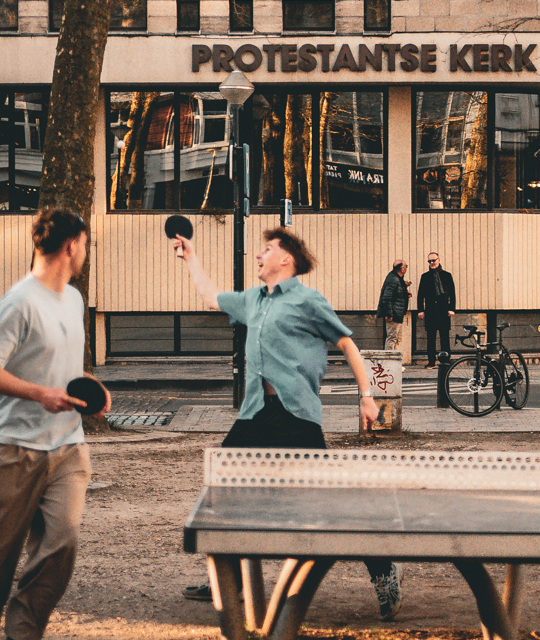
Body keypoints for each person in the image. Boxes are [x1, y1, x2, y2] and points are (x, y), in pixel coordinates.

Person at [176, 226, 401, 619]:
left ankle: (383, 569)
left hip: (296, 414)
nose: (259, 255)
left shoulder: (308, 300)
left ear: (286, 260)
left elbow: (347, 344)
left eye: (267, 249)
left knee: (327, 502)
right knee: (222, 492)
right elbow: (211, 299)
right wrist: (191, 257)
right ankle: (230, 579)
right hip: (255, 413)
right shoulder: (253, 300)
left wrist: (367, 396)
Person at [0, 206, 107, 640]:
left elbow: (63, 368)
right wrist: (40, 393)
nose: (85, 253)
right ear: (71, 246)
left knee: (61, 540)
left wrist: (90, 390)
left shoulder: (75, 301)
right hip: (12, 447)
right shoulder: (19, 302)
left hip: (67, 446)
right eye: (84, 245)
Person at [416, 251, 457, 368]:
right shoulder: (425, 277)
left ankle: (446, 361)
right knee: (431, 337)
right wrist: (420, 310)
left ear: (439, 260)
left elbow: (452, 294)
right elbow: (420, 295)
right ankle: (431, 361)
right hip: (430, 311)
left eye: (434, 260)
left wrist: (452, 308)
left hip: (444, 310)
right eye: (430, 261)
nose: (432, 263)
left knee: (444, 336)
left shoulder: (447, 275)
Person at [377, 258, 410, 351]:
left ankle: (394, 361)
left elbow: (394, 294)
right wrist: (389, 314)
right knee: (392, 338)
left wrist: (405, 294)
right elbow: (386, 298)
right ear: (402, 268)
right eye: (406, 266)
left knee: (397, 338)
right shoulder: (394, 280)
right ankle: (389, 362)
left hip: (397, 313)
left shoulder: (396, 278)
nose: (406, 268)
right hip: (395, 314)